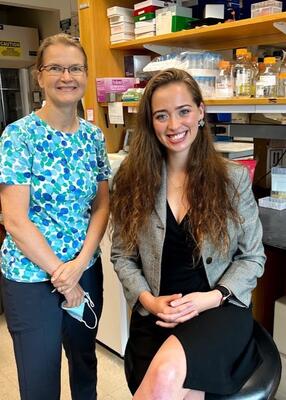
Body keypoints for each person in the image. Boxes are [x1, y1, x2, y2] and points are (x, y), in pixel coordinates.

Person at [110, 68, 265, 400]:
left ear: (200, 112)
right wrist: (149, 301)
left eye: (183, 111)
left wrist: (211, 297)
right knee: (185, 389)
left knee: (166, 375)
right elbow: (122, 257)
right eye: (161, 116)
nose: (173, 125)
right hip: (157, 315)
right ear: (151, 123)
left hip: (217, 309)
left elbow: (252, 258)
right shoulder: (132, 180)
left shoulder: (232, 179)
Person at [0, 33, 111, 400]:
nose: (67, 76)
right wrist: (63, 277)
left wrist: (80, 264)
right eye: (56, 68)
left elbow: (101, 205)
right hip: (31, 277)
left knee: (84, 364)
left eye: (76, 67)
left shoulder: (94, 137)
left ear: (85, 74)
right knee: (40, 378)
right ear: (39, 75)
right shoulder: (18, 136)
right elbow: (15, 220)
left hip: (85, 268)